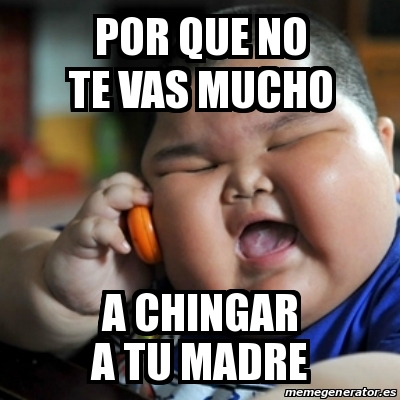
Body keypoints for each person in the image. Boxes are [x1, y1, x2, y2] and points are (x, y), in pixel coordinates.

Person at [1, 4, 400, 400]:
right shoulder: (143, 269)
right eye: (196, 166)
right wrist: (63, 297)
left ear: (384, 152)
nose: (245, 181)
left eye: (288, 140)